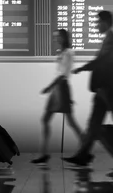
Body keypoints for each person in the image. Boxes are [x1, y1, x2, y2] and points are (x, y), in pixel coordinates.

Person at [63, 11, 113, 168]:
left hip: (110, 88)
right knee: (94, 124)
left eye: (98, 22)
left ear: (106, 22)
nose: (96, 25)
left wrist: (84, 68)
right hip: (102, 89)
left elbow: (103, 60)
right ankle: (83, 155)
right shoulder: (109, 39)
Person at [32, 29, 83, 164]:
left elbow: (63, 75)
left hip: (61, 87)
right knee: (46, 119)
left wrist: (49, 87)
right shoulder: (62, 53)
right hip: (57, 88)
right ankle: (43, 153)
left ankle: (85, 149)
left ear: (64, 38)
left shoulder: (68, 53)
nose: (56, 40)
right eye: (55, 37)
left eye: (58, 37)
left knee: (71, 121)